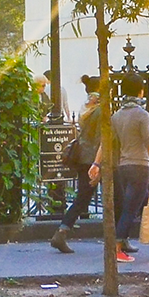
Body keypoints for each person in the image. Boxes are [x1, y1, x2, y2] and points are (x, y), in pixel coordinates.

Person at [89, 98, 149, 260]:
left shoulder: (117, 116)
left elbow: (106, 141)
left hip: (124, 166)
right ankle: (116, 248)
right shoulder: (142, 115)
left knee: (144, 203)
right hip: (140, 166)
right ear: (140, 92)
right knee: (131, 208)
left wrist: (96, 162)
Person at [52, 77, 102, 253]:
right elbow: (100, 139)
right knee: (86, 198)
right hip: (94, 159)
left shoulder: (85, 108)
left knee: (83, 198)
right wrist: (99, 162)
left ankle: (62, 231)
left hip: (83, 157)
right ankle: (62, 232)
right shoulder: (100, 110)